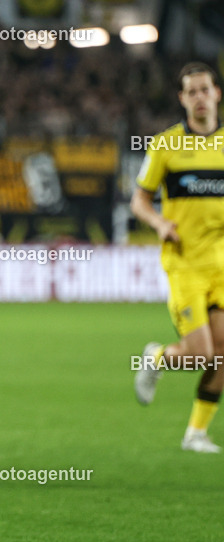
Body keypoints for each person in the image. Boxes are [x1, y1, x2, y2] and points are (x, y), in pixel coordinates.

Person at [133, 62, 224, 453]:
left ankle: (196, 433)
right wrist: (158, 222)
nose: (200, 98)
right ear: (182, 98)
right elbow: (139, 200)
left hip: (222, 265)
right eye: (192, 92)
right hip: (185, 263)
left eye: (205, 90)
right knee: (202, 354)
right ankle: (156, 358)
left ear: (217, 93)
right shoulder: (166, 145)